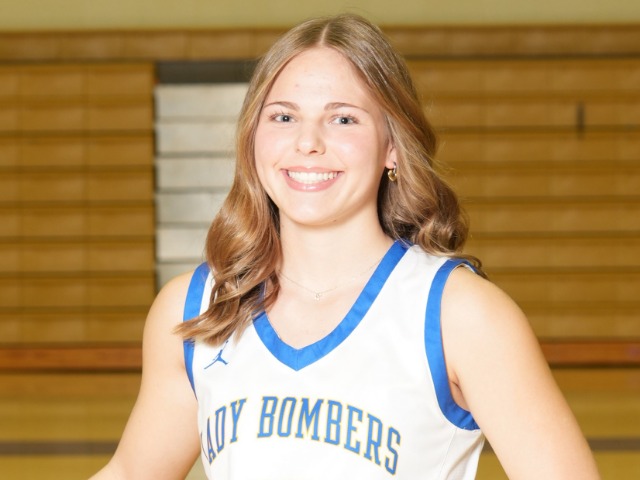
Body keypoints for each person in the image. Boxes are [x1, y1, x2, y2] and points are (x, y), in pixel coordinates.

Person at [91, 13, 600, 480]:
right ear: (252, 137)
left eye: (343, 119)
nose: (308, 142)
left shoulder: (460, 315)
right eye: (283, 117)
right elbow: (133, 472)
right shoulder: (198, 307)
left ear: (392, 146)